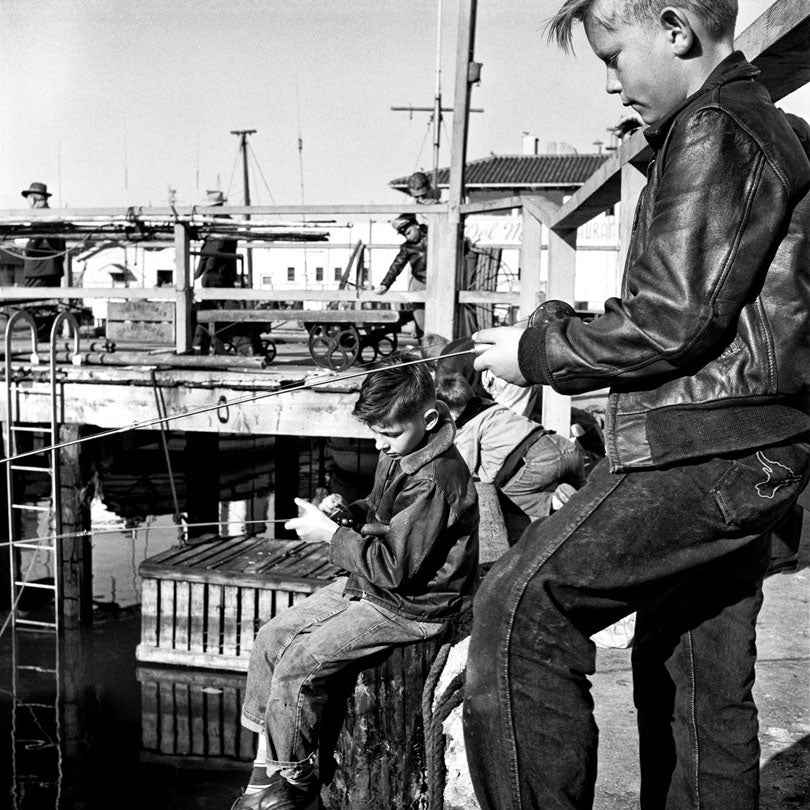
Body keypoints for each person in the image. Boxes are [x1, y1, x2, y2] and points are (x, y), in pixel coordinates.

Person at [462, 3, 810, 809]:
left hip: (702, 446)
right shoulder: (750, 124)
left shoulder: (715, 129)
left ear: (674, 28)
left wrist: (537, 352)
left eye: (615, 57)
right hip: (754, 444)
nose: (613, 84)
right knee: (697, 676)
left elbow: (669, 321)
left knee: (519, 610)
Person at [232, 362, 478, 810]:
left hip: (413, 607)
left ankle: (294, 781)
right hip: (375, 584)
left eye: (387, 433)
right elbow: (383, 512)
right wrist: (346, 512)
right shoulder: (403, 448)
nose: (379, 443)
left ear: (427, 419)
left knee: (300, 666)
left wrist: (331, 537)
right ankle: (266, 758)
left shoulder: (434, 480)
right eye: (374, 433)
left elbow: (394, 569)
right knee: (270, 639)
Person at [437, 373, 585, 543]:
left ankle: (554, 501)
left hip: (538, 461)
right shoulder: (494, 407)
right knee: (587, 499)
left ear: (451, 412)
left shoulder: (468, 427)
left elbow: (464, 469)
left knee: (506, 498)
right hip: (564, 446)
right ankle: (581, 492)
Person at [192, 190, 255, 355]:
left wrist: (202, 273)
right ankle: (228, 346)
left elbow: (213, 252)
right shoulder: (220, 225)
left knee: (210, 315)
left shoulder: (221, 225)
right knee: (218, 315)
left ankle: (204, 347)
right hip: (221, 276)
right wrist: (198, 273)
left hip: (217, 277)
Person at [375, 213, 428, 339]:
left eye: (408, 232)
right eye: (404, 235)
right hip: (420, 283)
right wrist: (385, 284)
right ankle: (425, 348)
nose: (407, 237)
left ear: (416, 225)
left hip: (440, 281)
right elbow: (397, 265)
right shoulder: (407, 247)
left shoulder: (436, 234)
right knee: (421, 323)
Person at [21, 182, 65, 287]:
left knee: (33, 301)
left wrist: (26, 251)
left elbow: (33, 243)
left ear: (32, 199)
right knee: (50, 301)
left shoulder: (40, 216)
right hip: (54, 269)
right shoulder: (54, 217)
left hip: (39, 271)